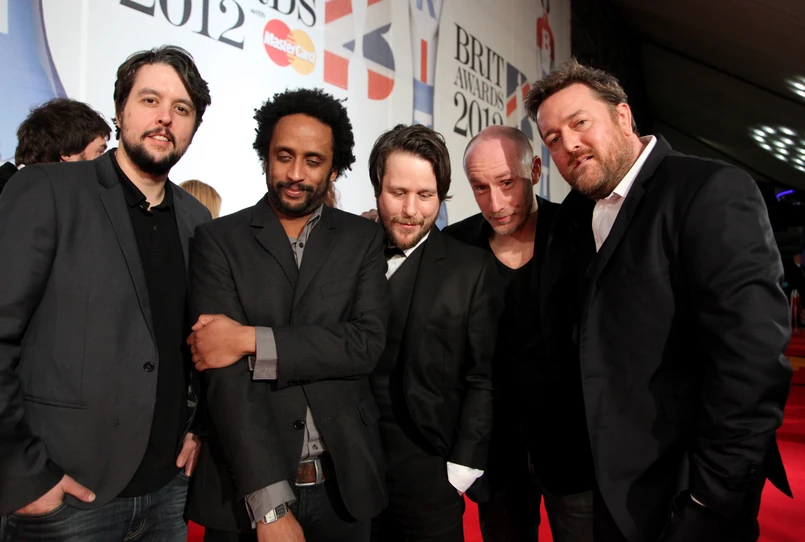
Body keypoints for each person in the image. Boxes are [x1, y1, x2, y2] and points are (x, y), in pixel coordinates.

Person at [525, 58, 792, 542]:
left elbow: (751, 357)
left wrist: (710, 496)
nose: (569, 144)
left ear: (623, 116)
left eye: (579, 122)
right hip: (609, 491)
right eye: (553, 139)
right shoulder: (572, 217)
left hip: (690, 492)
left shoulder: (710, 190)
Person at [0, 45, 212, 541]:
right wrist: (23, 472)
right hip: (67, 496)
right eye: (150, 100)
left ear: (193, 127)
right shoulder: (48, 190)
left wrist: (201, 426)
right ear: (120, 111)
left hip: (168, 493)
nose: (165, 117)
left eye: (181, 108)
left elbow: (198, 342)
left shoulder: (197, 221)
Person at [183, 88, 390, 542]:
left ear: (334, 169)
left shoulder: (362, 239)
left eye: (313, 161)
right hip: (245, 489)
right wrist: (270, 507)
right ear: (265, 156)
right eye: (284, 156)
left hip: (345, 489)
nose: (295, 174)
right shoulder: (219, 240)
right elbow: (225, 379)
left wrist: (250, 340)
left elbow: (365, 344)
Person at [443, 125, 594, 542]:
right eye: (480, 187)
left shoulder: (578, 231)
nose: (496, 203)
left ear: (536, 171)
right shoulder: (455, 246)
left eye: (507, 183)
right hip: (495, 454)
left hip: (575, 448)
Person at [367, 124, 503, 542]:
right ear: (377, 188)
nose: (411, 210)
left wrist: (461, 468)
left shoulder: (470, 269)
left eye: (425, 195)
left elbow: (484, 375)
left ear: (441, 197)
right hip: (349, 465)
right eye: (398, 192)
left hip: (429, 467)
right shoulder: (349, 253)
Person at [0, 98, 111, 196]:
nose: (105, 160)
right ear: (68, 152)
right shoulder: (12, 197)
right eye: (100, 152)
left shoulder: (42, 193)